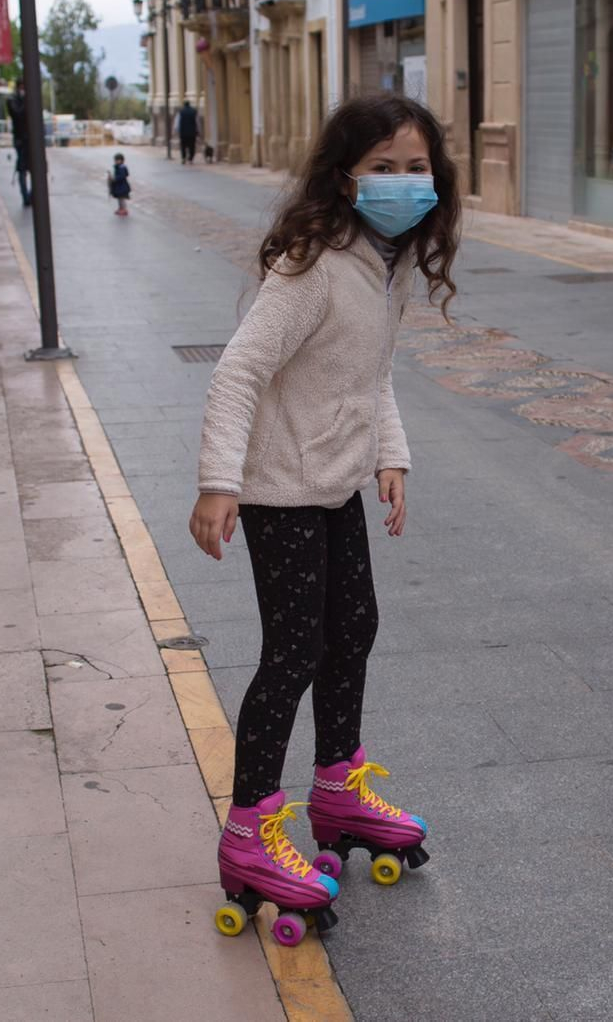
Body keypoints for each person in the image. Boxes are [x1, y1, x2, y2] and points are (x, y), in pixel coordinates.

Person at [190, 95, 460, 946]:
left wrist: (393, 455)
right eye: (384, 166)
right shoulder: (313, 264)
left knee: (356, 631)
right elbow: (238, 372)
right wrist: (217, 482)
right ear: (345, 178)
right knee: (294, 652)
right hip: (278, 489)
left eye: (417, 167)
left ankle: (338, 785)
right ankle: (249, 831)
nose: (403, 182)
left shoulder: (384, 265)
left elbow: (370, 377)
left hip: (334, 482)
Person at [5, 91, 31, 208]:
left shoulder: (27, 99)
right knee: (22, 168)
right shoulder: (13, 100)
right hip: (21, 140)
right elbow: (17, 115)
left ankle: (30, 196)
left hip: (30, 140)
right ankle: (25, 197)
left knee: (37, 169)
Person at [178, 100, 199, 165]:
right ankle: (190, 158)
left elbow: (178, 122)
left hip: (183, 132)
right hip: (192, 132)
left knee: (183, 146)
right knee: (192, 146)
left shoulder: (181, 112)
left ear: (184, 105)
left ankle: (183, 158)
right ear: (189, 105)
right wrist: (198, 131)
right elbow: (197, 122)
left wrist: (177, 131)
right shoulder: (194, 111)